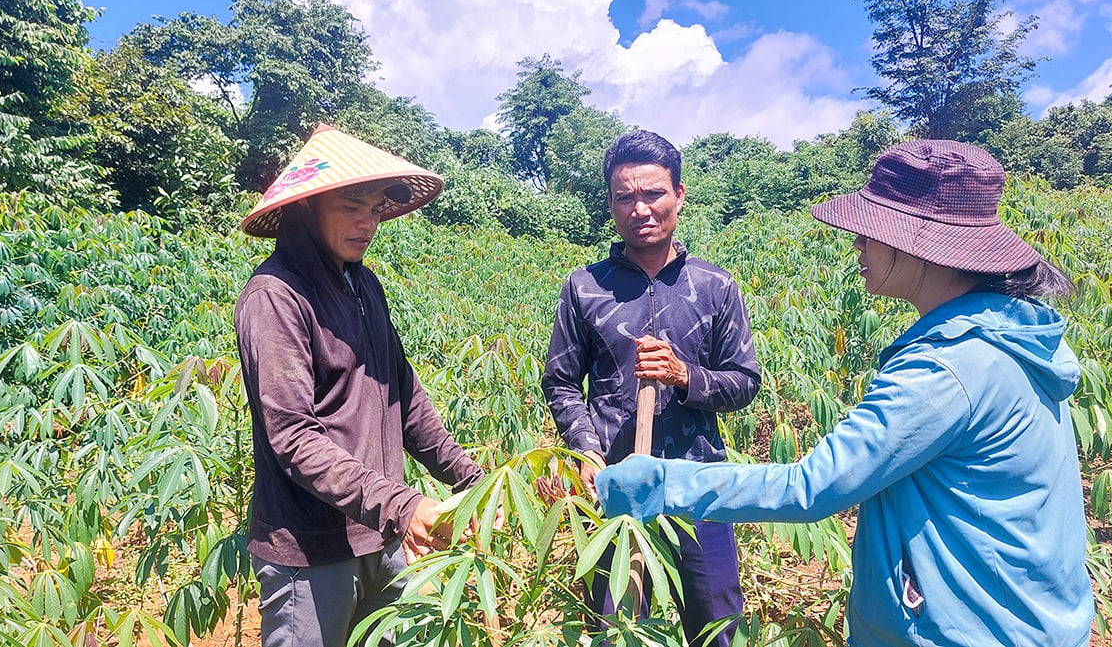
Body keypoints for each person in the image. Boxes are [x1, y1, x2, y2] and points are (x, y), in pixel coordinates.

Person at [595, 139, 1093, 646]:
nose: (856, 242)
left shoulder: (949, 367)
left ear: (913, 243)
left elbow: (809, 487)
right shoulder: (1009, 335)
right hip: (1018, 616)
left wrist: (655, 483)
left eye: (869, 229)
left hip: (966, 630)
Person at [235, 124, 486, 647]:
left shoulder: (363, 282)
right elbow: (295, 439)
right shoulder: (276, 295)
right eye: (353, 206)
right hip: (311, 549)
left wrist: (472, 481)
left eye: (375, 209)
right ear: (308, 207)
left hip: (382, 537)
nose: (367, 222)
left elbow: (403, 395)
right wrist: (403, 505)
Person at [541, 129, 762, 647]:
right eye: (625, 197)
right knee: (616, 625)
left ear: (679, 196)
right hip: (616, 484)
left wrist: (687, 377)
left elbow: (745, 381)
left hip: (700, 482)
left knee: (715, 622)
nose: (640, 208)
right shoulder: (585, 287)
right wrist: (587, 451)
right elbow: (561, 382)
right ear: (611, 204)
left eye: (654, 193)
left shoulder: (714, 286)